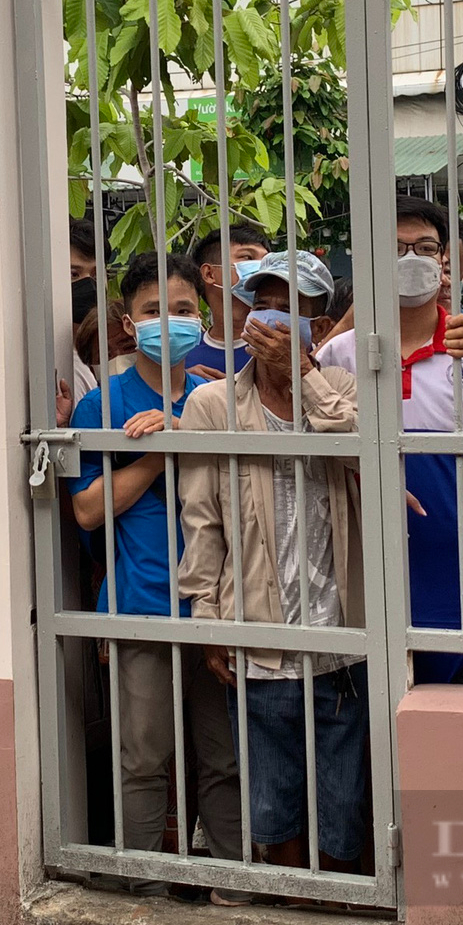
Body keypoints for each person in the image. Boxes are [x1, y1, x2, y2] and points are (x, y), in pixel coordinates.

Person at [178, 250, 369, 874]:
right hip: (257, 622)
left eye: (290, 306)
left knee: (342, 785)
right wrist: (207, 611)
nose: (271, 317)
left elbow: (361, 455)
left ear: (316, 320)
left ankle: (341, 890)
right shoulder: (212, 404)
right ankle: (287, 890)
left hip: (341, 623)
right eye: (260, 303)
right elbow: (201, 514)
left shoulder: (340, 387)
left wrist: (303, 375)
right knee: (270, 783)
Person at [67, 251, 243, 892]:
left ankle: (229, 882)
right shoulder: (104, 405)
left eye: (184, 310)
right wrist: (159, 452)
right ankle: (142, 884)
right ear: (126, 320)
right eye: (153, 311)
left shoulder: (222, 396)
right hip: (142, 605)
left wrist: (186, 428)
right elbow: (87, 511)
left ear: (207, 314)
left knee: (224, 760)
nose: (169, 321)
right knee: (143, 760)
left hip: (223, 608)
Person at [314, 197, 463, 684]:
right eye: (393, 249)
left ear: (446, 262)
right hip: (362, 585)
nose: (410, 260)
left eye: (424, 247)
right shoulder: (338, 355)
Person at [185, 222, 270, 376]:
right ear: (209, 274)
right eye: (248, 257)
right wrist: (184, 383)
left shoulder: (284, 346)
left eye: (266, 261)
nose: (262, 267)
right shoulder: (183, 356)